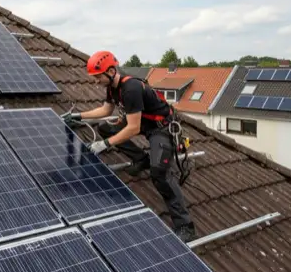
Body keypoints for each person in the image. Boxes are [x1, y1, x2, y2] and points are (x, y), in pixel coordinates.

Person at [67, 50, 197, 242]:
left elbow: (133, 128)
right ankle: (140, 159)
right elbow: (106, 110)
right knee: (106, 127)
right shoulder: (112, 87)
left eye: (97, 77)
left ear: (110, 71)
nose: (95, 81)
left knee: (159, 172)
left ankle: (185, 225)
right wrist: (79, 116)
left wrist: (104, 144)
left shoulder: (131, 88)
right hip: (144, 122)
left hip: (161, 128)